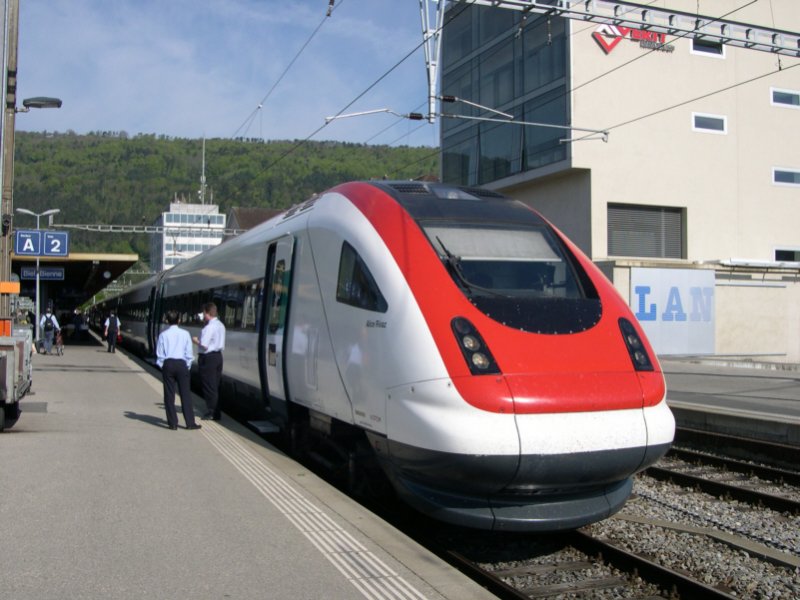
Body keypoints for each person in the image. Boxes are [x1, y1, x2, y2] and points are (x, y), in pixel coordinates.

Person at [156, 310, 201, 431]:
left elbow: (160, 354)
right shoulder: (185, 334)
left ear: (167, 320)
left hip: (168, 363)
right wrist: (187, 365)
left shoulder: (163, 335)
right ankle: (190, 423)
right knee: (185, 394)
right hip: (182, 365)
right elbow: (189, 353)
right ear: (179, 320)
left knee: (169, 395)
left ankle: (173, 423)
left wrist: (163, 365)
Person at [193, 302, 225, 420]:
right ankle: (216, 411)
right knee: (215, 385)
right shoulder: (221, 325)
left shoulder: (208, 327)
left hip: (208, 358)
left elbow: (204, 345)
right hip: (218, 357)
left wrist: (196, 340)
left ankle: (211, 411)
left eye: (204, 313)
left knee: (209, 385)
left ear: (207, 313)